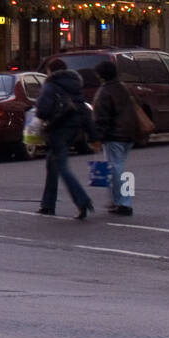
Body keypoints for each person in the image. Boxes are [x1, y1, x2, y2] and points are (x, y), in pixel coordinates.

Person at [35, 58, 96, 219]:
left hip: (57, 128)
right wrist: (93, 134)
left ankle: (82, 200)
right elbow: (83, 110)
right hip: (73, 129)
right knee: (52, 162)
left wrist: (40, 118)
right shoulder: (75, 84)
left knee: (61, 166)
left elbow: (42, 110)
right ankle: (47, 204)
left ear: (50, 71)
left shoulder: (51, 84)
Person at [92, 59, 137, 216]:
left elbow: (102, 118)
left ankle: (124, 203)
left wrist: (97, 137)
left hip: (115, 135)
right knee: (120, 167)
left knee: (116, 169)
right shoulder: (122, 88)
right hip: (128, 133)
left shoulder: (105, 92)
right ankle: (119, 201)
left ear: (102, 75)